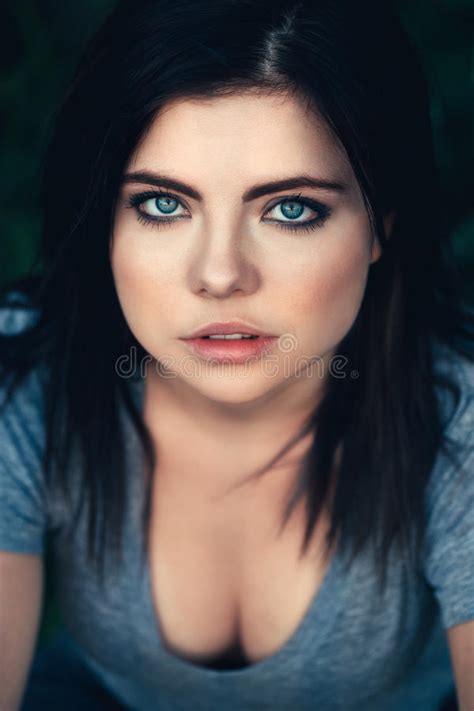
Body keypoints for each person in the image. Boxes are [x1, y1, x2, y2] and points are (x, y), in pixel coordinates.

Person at [0, 0, 473, 709]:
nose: (220, 274)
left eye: (290, 209)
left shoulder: (457, 417)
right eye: (162, 204)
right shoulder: (29, 377)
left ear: (381, 228)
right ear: (104, 221)